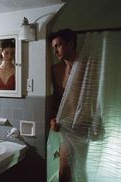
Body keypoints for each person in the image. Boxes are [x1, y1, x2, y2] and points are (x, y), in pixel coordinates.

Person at [49, 28, 78, 182]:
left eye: (58, 45)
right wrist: (53, 118)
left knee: (77, 168)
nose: (55, 51)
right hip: (64, 125)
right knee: (64, 171)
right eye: (53, 47)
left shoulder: (84, 67)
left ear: (70, 44)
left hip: (81, 124)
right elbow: (57, 99)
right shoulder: (56, 69)